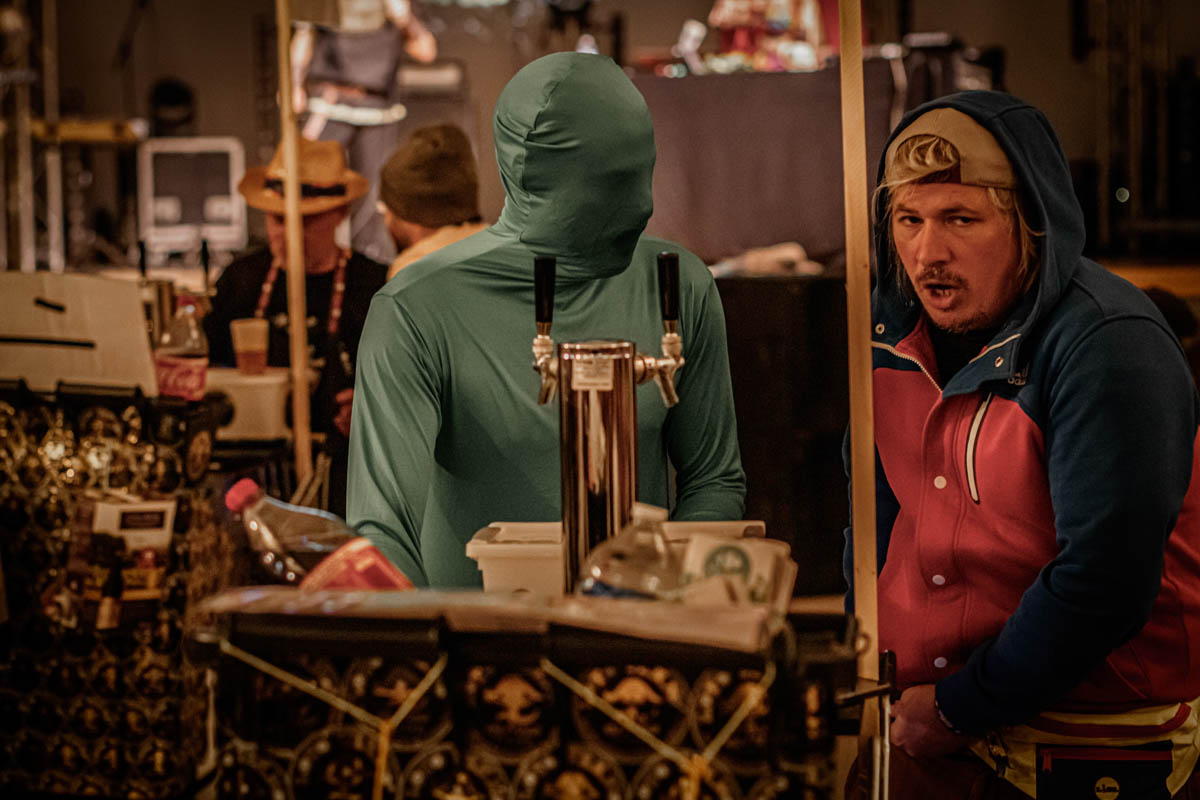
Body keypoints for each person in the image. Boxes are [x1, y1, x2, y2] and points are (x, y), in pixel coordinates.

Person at [843, 91, 1200, 798]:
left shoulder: (1110, 345)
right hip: (918, 721)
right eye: (908, 219)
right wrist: (873, 664)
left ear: (1033, 224)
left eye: (960, 219)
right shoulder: (886, 332)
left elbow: (1104, 582)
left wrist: (957, 708)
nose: (927, 253)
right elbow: (872, 524)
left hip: (1088, 736)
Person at [347, 53, 746, 588]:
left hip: (636, 630)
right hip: (478, 633)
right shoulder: (415, 311)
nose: (640, 205)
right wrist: (438, 632)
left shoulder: (679, 285)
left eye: (640, 174)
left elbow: (714, 479)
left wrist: (666, 596)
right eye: (606, 184)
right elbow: (383, 528)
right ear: (527, 176)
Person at [204, 138, 387, 517]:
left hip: (346, 478)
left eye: (305, 221)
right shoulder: (241, 280)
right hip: (250, 478)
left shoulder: (373, 286)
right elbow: (205, 369)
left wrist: (372, 406)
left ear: (340, 213)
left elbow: (401, 385)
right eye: (277, 219)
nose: (287, 233)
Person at [291, 0, 437, 261]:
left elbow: (426, 51)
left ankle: (368, 265)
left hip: (376, 107)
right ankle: (310, 259)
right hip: (330, 103)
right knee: (312, 185)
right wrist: (294, 84)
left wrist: (404, 20)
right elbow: (304, 34)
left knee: (373, 199)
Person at [376, 123, 487, 280]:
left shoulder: (413, 271)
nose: (386, 220)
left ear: (404, 212)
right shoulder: (509, 252)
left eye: (385, 207)